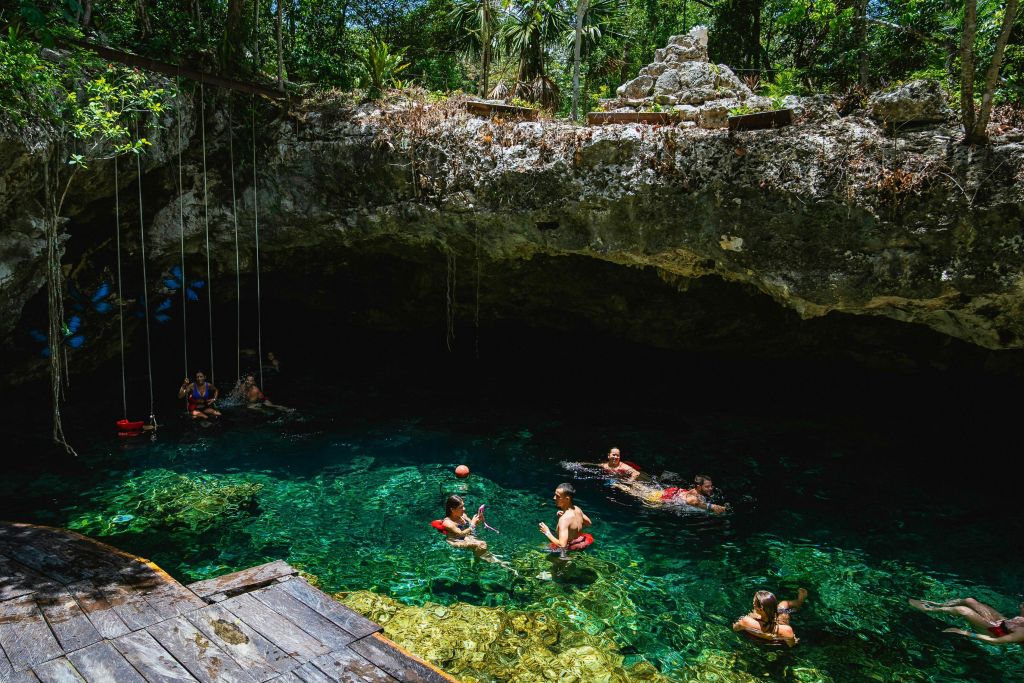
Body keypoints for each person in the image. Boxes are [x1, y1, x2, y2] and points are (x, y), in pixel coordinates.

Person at [909, 597, 1024, 646]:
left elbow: (994, 641)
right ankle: (939, 605)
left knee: (963, 610)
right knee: (970, 600)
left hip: (994, 632)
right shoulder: (1022, 618)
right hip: (1001, 622)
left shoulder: (1022, 633)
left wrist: (964, 632)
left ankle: (927, 609)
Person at [732, 589, 806, 647]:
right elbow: (791, 644)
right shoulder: (786, 630)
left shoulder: (745, 621)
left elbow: (735, 628)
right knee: (784, 604)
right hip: (778, 643)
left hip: (757, 642)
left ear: (759, 608)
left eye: (754, 602)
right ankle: (800, 601)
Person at [539, 483, 593, 551]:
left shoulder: (564, 519)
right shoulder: (577, 509)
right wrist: (573, 527)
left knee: (540, 548)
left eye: (557, 496)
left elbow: (562, 545)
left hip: (568, 548)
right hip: (578, 542)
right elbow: (589, 523)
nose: (554, 498)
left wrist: (547, 532)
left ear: (567, 499)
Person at [660, 474, 728, 514]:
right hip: (667, 497)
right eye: (707, 487)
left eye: (711, 486)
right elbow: (693, 501)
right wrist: (713, 507)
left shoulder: (697, 491)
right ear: (698, 487)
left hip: (676, 492)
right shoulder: (693, 497)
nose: (710, 488)